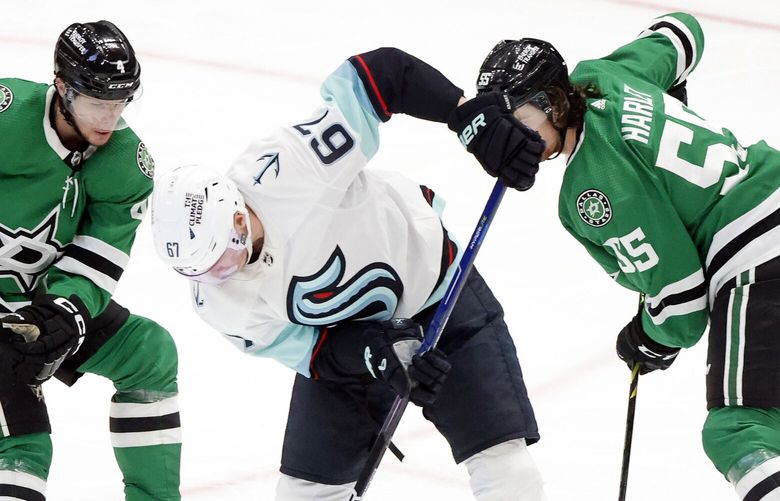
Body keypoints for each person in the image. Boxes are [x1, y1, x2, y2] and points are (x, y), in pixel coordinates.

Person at [151, 47, 547, 499]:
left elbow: (383, 75)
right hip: (351, 338)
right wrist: (376, 354)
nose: (220, 276)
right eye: (202, 272)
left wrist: (470, 118)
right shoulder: (217, 302)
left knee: (508, 472)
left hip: (439, 287)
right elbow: (315, 353)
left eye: (220, 258)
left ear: (238, 217)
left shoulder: (290, 169)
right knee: (302, 494)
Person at [466, 11, 780, 500]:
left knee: (741, 429)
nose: (509, 140)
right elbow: (682, 31)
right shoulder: (603, 76)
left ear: (554, 103)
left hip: (758, 249)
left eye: (519, 122)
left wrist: (648, 338)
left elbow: (682, 306)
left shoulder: (592, 192)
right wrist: (664, 96)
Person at [0, 21, 181, 500]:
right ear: (62, 88)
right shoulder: (6, 114)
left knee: (148, 351)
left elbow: (96, 260)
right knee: (23, 441)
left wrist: (65, 312)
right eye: (98, 101)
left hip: (33, 302)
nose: (110, 116)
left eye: (121, 101)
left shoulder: (126, 163)